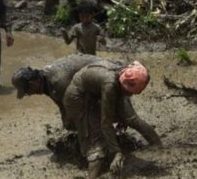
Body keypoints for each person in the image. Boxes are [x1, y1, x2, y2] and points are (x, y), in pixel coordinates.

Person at [11, 55, 161, 146]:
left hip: (110, 78)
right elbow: (64, 105)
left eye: (27, 91)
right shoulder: (47, 80)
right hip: (100, 79)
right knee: (72, 123)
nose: (29, 95)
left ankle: (159, 148)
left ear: (33, 83)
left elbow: (86, 104)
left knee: (130, 118)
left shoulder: (58, 82)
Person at [63, 61, 151, 178]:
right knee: (97, 145)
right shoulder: (110, 84)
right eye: (130, 92)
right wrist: (117, 152)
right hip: (77, 98)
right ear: (125, 85)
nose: (131, 96)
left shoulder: (121, 73)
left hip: (92, 95)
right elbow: (106, 123)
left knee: (124, 120)